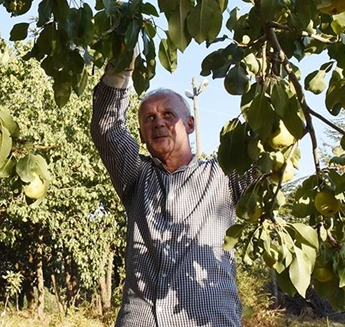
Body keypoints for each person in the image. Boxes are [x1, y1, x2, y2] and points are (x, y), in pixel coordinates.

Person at [90, 58, 250, 327]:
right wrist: (121, 68)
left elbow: (266, 154)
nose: (158, 123)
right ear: (141, 135)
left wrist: (268, 73)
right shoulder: (136, 176)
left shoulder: (223, 174)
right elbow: (107, 129)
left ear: (190, 124)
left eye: (168, 115)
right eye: (149, 118)